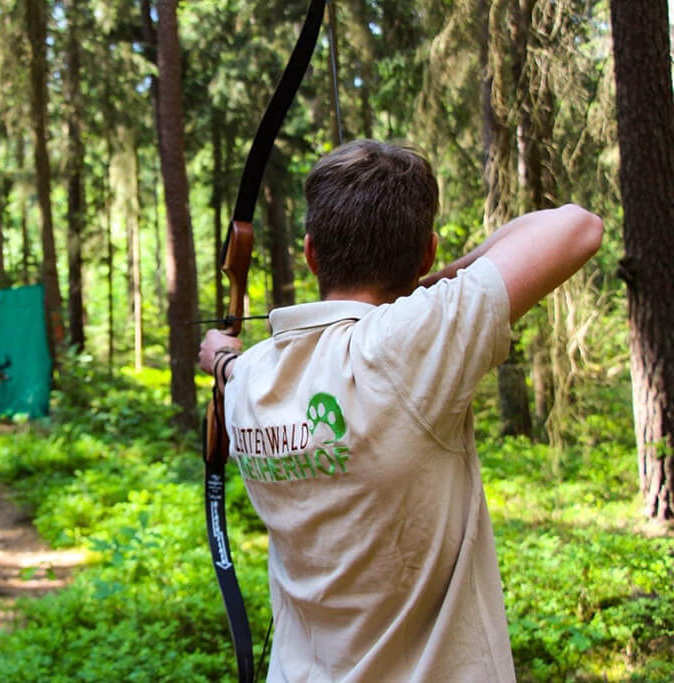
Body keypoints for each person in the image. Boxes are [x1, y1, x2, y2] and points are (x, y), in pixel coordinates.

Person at [198, 139, 603, 682]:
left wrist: (221, 357)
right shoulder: (408, 344)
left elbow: (227, 365)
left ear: (312, 253)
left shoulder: (250, 376)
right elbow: (577, 225)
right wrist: (443, 281)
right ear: (428, 253)